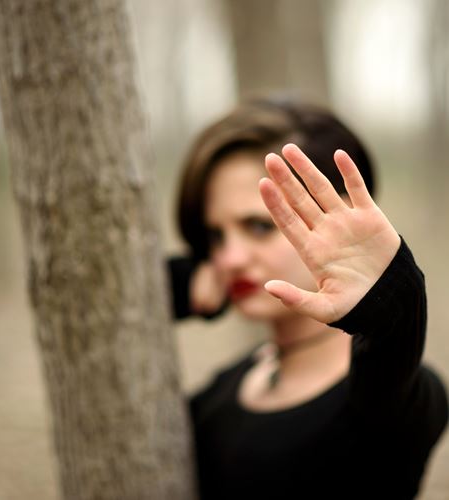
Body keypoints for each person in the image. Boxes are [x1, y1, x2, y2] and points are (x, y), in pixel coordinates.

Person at [167, 96, 448, 499]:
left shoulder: (389, 402)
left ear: (340, 222)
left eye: (259, 226)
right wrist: (179, 288)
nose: (229, 258)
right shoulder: (230, 384)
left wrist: (387, 292)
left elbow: (392, 347)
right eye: (215, 235)